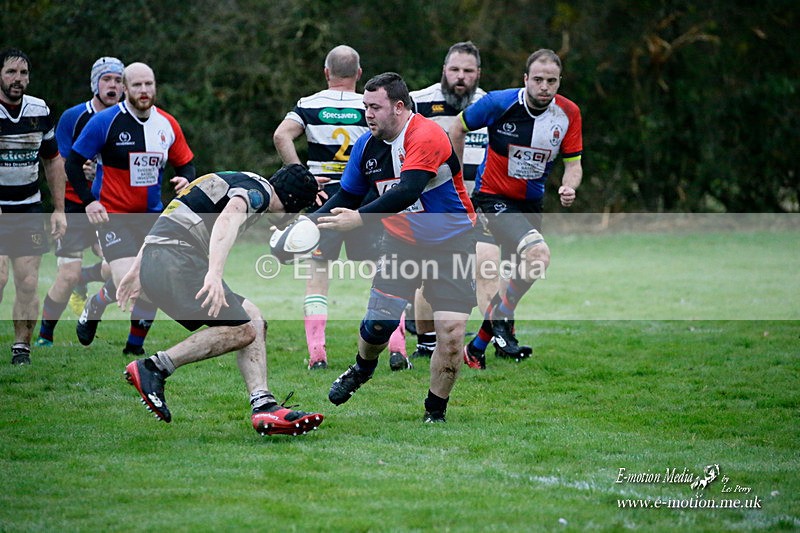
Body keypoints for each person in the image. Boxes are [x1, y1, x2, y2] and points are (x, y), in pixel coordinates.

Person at [116, 165, 324, 436]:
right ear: (293, 202)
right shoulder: (258, 193)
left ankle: (264, 404)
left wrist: (136, 268)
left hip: (161, 257)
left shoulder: (241, 178)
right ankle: (154, 367)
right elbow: (228, 219)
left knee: (252, 316)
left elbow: (172, 212)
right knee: (243, 329)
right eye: (299, 211)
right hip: (177, 260)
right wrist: (214, 274)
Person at [316, 72, 477, 423]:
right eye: (365, 107)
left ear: (399, 107)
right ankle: (361, 369)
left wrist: (358, 219)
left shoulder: (427, 135)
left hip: (453, 242)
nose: (367, 114)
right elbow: (347, 195)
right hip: (401, 241)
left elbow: (407, 190)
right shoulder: (366, 146)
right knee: (378, 326)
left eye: (375, 107)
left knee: (450, 335)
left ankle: (435, 413)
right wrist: (307, 223)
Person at [273, 45, 408, 371]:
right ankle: (397, 349)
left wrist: (303, 178)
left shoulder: (309, 104)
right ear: (359, 74)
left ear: (326, 73)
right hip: (367, 201)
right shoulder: (373, 106)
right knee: (387, 276)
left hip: (325, 201)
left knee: (318, 277)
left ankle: (318, 355)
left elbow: (281, 136)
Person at [450, 49, 583, 369]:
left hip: (530, 203)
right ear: (525, 80)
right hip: (492, 197)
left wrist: (569, 186)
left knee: (522, 272)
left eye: (552, 81)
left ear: (559, 82)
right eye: (538, 79)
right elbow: (457, 127)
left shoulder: (568, 114)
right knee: (530, 259)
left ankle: (480, 344)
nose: (544, 87)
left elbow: (574, 164)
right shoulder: (500, 102)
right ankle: (500, 330)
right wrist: (456, 181)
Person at [65, 62, 195, 355]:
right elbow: (73, 163)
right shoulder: (105, 122)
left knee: (156, 280)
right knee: (127, 279)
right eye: (137, 85)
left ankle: (134, 348)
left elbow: (186, 162)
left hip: (152, 217)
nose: (144, 90)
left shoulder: (167, 124)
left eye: (149, 84)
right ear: (124, 88)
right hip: (114, 216)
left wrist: (185, 178)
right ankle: (97, 302)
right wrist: (89, 201)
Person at [408, 41, 489, 362]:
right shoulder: (420, 102)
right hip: (432, 206)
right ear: (444, 70)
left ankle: (493, 336)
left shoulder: (489, 105)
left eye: (468, 71)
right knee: (428, 273)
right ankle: (427, 342)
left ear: (478, 74)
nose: (460, 77)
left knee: (484, 270)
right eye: (454, 69)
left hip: (479, 204)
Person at [35, 56, 124, 347]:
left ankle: (87, 279)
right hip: (74, 206)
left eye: (118, 80)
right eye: (107, 79)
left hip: (107, 206)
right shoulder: (75, 116)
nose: (113, 85)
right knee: (67, 276)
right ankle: (45, 336)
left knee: (117, 270)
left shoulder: (128, 119)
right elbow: (58, 162)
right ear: (95, 84)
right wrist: (59, 208)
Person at [0, 48, 66, 365]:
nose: (18, 79)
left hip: (29, 211)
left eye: (23, 73)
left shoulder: (39, 110)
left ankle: (21, 349)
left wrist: (59, 209)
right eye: (11, 72)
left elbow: (53, 161)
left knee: (27, 282)